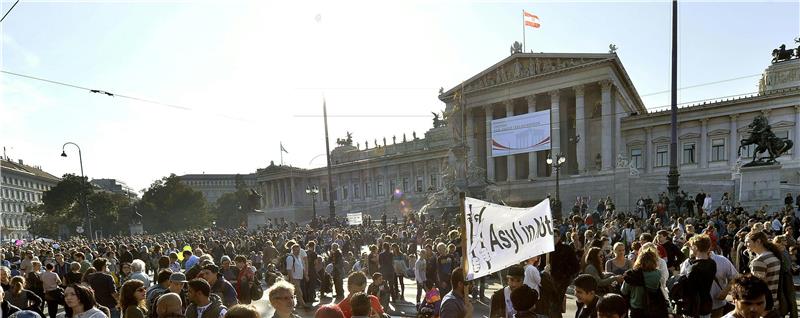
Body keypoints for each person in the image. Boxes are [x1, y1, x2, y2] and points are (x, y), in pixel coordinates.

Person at [620, 246, 667, 318]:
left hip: (636, 308)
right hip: (652, 307)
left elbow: (624, 291)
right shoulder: (658, 274)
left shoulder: (631, 275)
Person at [746, 231, 781, 313]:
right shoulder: (772, 255)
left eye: (748, 242)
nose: (746, 245)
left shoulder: (759, 260)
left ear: (758, 241)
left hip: (763, 305)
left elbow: (757, 287)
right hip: (773, 301)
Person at [285, 243, 307, 309]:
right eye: (295, 250)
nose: (297, 252)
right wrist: (291, 279)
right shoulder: (290, 257)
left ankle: (296, 305)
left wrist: (305, 274)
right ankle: (303, 304)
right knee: (299, 292)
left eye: (298, 250)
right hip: (294, 278)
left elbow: (301, 267)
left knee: (295, 292)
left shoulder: (298, 257)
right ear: (292, 250)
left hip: (299, 277)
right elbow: (289, 269)